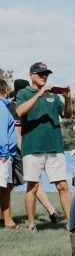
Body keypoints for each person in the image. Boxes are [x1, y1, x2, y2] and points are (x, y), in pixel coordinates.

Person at [16, 62, 73, 232]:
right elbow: (20, 111)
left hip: (54, 147)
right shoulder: (23, 93)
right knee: (32, 187)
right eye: (40, 73)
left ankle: (71, 224)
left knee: (62, 186)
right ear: (31, 75)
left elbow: (67, 115)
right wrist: (39, 94)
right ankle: (32, 225)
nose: (44, 76)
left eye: (46, 74)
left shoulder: (55, 97)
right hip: (32, 147)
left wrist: (67, 98)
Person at [7, 79, 66, 226]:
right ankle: (52, 212)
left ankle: (52, 212)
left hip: (11, 151)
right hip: (20, 150)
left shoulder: (10, 106)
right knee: (32, 184)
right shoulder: (15, 108)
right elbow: (17, 134)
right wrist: (26, 151)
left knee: (11, 186)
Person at [0, 79, 18, 228]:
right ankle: (8, 222)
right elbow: (2, 132)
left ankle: (8, 221)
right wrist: (5, 153)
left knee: (5, 187)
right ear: (6, 91)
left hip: (3, 155)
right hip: (3, 155)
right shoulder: (1, 107)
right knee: (3, 188)